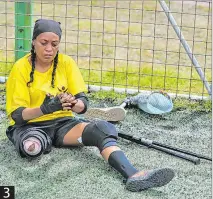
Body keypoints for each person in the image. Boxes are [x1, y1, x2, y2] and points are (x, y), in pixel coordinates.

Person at [5, 19, 175, 192]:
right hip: (30, 126)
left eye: (54, 44)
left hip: (63, 124)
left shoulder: (66, 63)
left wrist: (72, 104)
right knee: (32, 148)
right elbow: (17, 116)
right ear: (33, 42)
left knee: (102, 129)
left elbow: (83, 105)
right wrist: (45, 108)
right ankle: (38, 143)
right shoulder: (20, 68)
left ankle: (133, 175)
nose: (49, 49)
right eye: (44, 43)